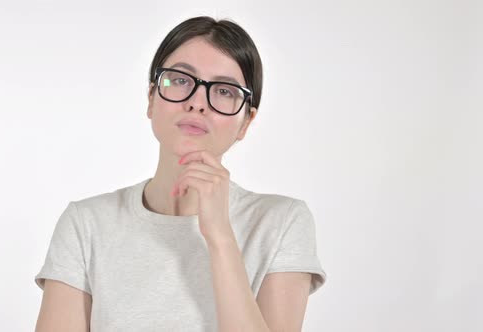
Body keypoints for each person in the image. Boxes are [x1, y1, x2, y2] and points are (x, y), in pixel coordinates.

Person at [34, 16, 327, 332]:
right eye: (181, 80)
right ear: (151, 98)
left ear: (246, 121)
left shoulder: (281, 222)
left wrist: (220, 236)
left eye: (225, 91)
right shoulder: (86, 224)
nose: (198, 103)